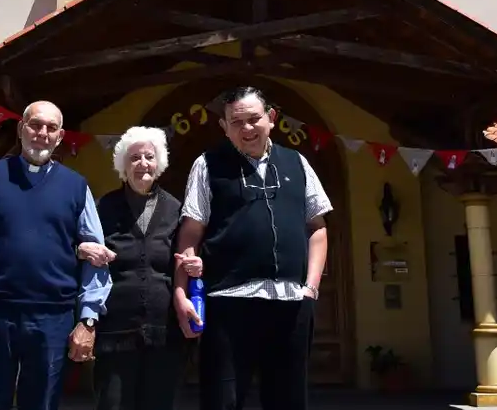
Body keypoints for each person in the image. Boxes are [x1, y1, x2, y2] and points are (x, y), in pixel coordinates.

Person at [0, 100, 112, 410]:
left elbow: (96, 257)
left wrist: (88, 319)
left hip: (52, 318)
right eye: (35, 125)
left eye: (51, 128)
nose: (42, 133)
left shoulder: (76, 187)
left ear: (60, 137)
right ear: (21, 129)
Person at [172, 86, 331, 410]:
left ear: (271, 118)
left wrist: (311, 289)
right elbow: (190, 233)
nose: (246, 128)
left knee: (288, 402)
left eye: (254, 119)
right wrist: (182, 293)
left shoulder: (297, 163)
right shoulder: (207, 164)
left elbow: (317, 228)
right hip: (229, 304)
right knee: (223, 401)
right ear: (224, 127)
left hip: (291, 302)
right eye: (236, 122)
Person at [76, 127, 205, 410]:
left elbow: (189, 254)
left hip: (164, 332)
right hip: (115, 332)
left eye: (149, 156)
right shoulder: (103, 207)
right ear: (123, 165)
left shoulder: (176, 209)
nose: (142, 163)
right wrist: (81, 250)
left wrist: (197, 264)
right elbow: (81, 252)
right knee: (112, 404)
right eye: (134, 158)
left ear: (159, 163)